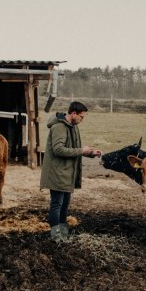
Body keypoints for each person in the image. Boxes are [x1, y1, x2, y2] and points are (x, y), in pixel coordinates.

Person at [40, 101, 102, 242]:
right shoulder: (59, 127)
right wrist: (81, 150)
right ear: (73, 113)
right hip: (57, 173)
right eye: (81, 117)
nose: (82, 120)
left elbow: (74, 149)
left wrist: (90, 153)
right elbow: (58, 149)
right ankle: (56, 237)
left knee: (65, 204)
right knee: (57, 204)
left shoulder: (73, 126)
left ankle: (63, 234)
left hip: (67, 173)